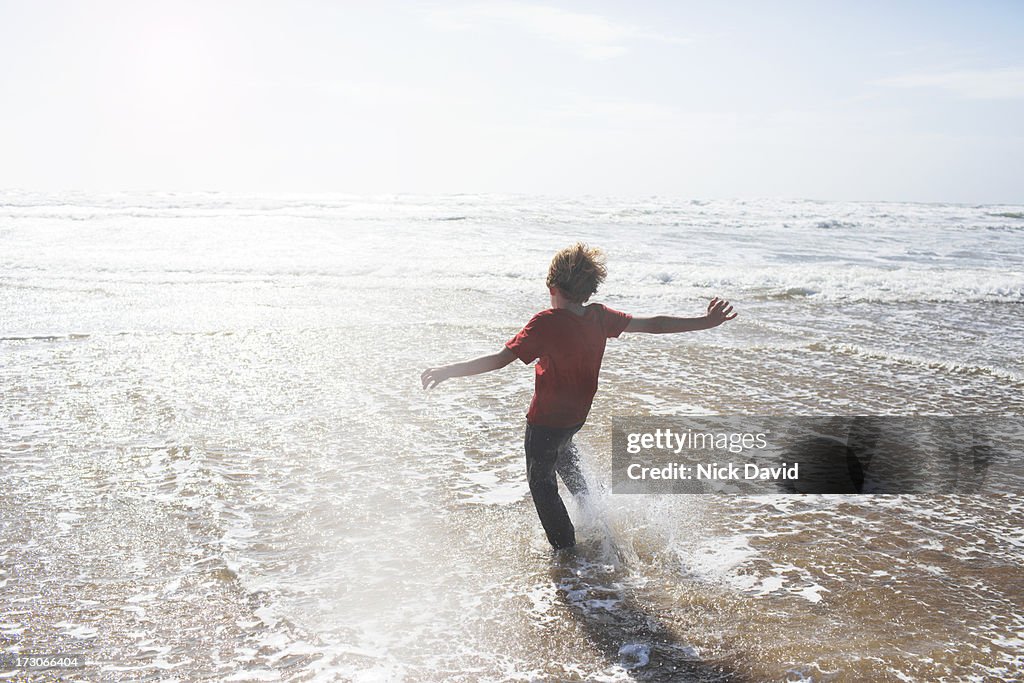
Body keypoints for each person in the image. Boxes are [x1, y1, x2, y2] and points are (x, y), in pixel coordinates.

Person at [421, 243, 737, 550]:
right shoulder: (600, 317)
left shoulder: (545, 323)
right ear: (588, 290)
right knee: (566, 458)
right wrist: (706, 322)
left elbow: (499, 359)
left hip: (544, 425)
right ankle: (596, 518)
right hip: (574, 420)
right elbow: (655, 324)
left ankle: (567, 552)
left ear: (553, 286)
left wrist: (449, 370)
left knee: (543, 488)